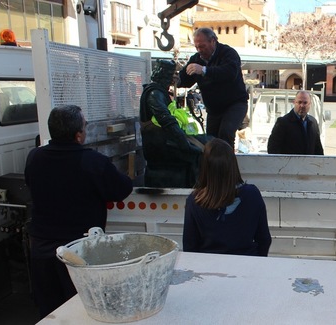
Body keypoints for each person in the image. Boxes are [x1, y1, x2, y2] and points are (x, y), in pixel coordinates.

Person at [24, 105, 133, 318]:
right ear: (78, 135)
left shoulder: (35, 157)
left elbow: (30, 182)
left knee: (51, 310)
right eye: (84, 126)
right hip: (79, 251)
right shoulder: (92, 161)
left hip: (42, 247)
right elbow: (122, 189)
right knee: (83, 310)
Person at [183, 138, 272, 256]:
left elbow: (190, 247)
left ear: (205, 166)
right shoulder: (252, 194)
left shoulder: (194, 201)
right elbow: (264, 239)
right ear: (233, 164)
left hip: (208, 268)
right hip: (248, 266)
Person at [178, 27, 249, 148]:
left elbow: (230, 73)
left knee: (225, 133)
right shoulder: (196, 59)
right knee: (211, 141)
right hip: (214, 110)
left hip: (235, 104)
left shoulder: (228, 53)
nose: (199, 50)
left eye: (202, 46)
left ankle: (227, 165)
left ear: (213, 41)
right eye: (197, 47)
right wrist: (176, 78)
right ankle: (213, 166)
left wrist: (204, 70)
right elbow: (185, 80)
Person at [140, 59, 203, 188]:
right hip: (159, 144)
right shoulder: (154, 94)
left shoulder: (161, 92)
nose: (176, 76)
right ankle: (197, 189)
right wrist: (183, 142)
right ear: (164, 74)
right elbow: (168, 122)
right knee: (198, 153)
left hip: (165, 137)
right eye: (173, 73)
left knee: (208, 141)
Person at [267, 90, 324, 155]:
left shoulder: (313, 122)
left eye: (305, 103)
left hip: (308, 164)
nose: (302, 106)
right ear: (294, 103)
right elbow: (272, 149)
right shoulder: (283, 123)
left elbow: (318, 149)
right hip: (289, 164)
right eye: (299, 102)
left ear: (310, 104)